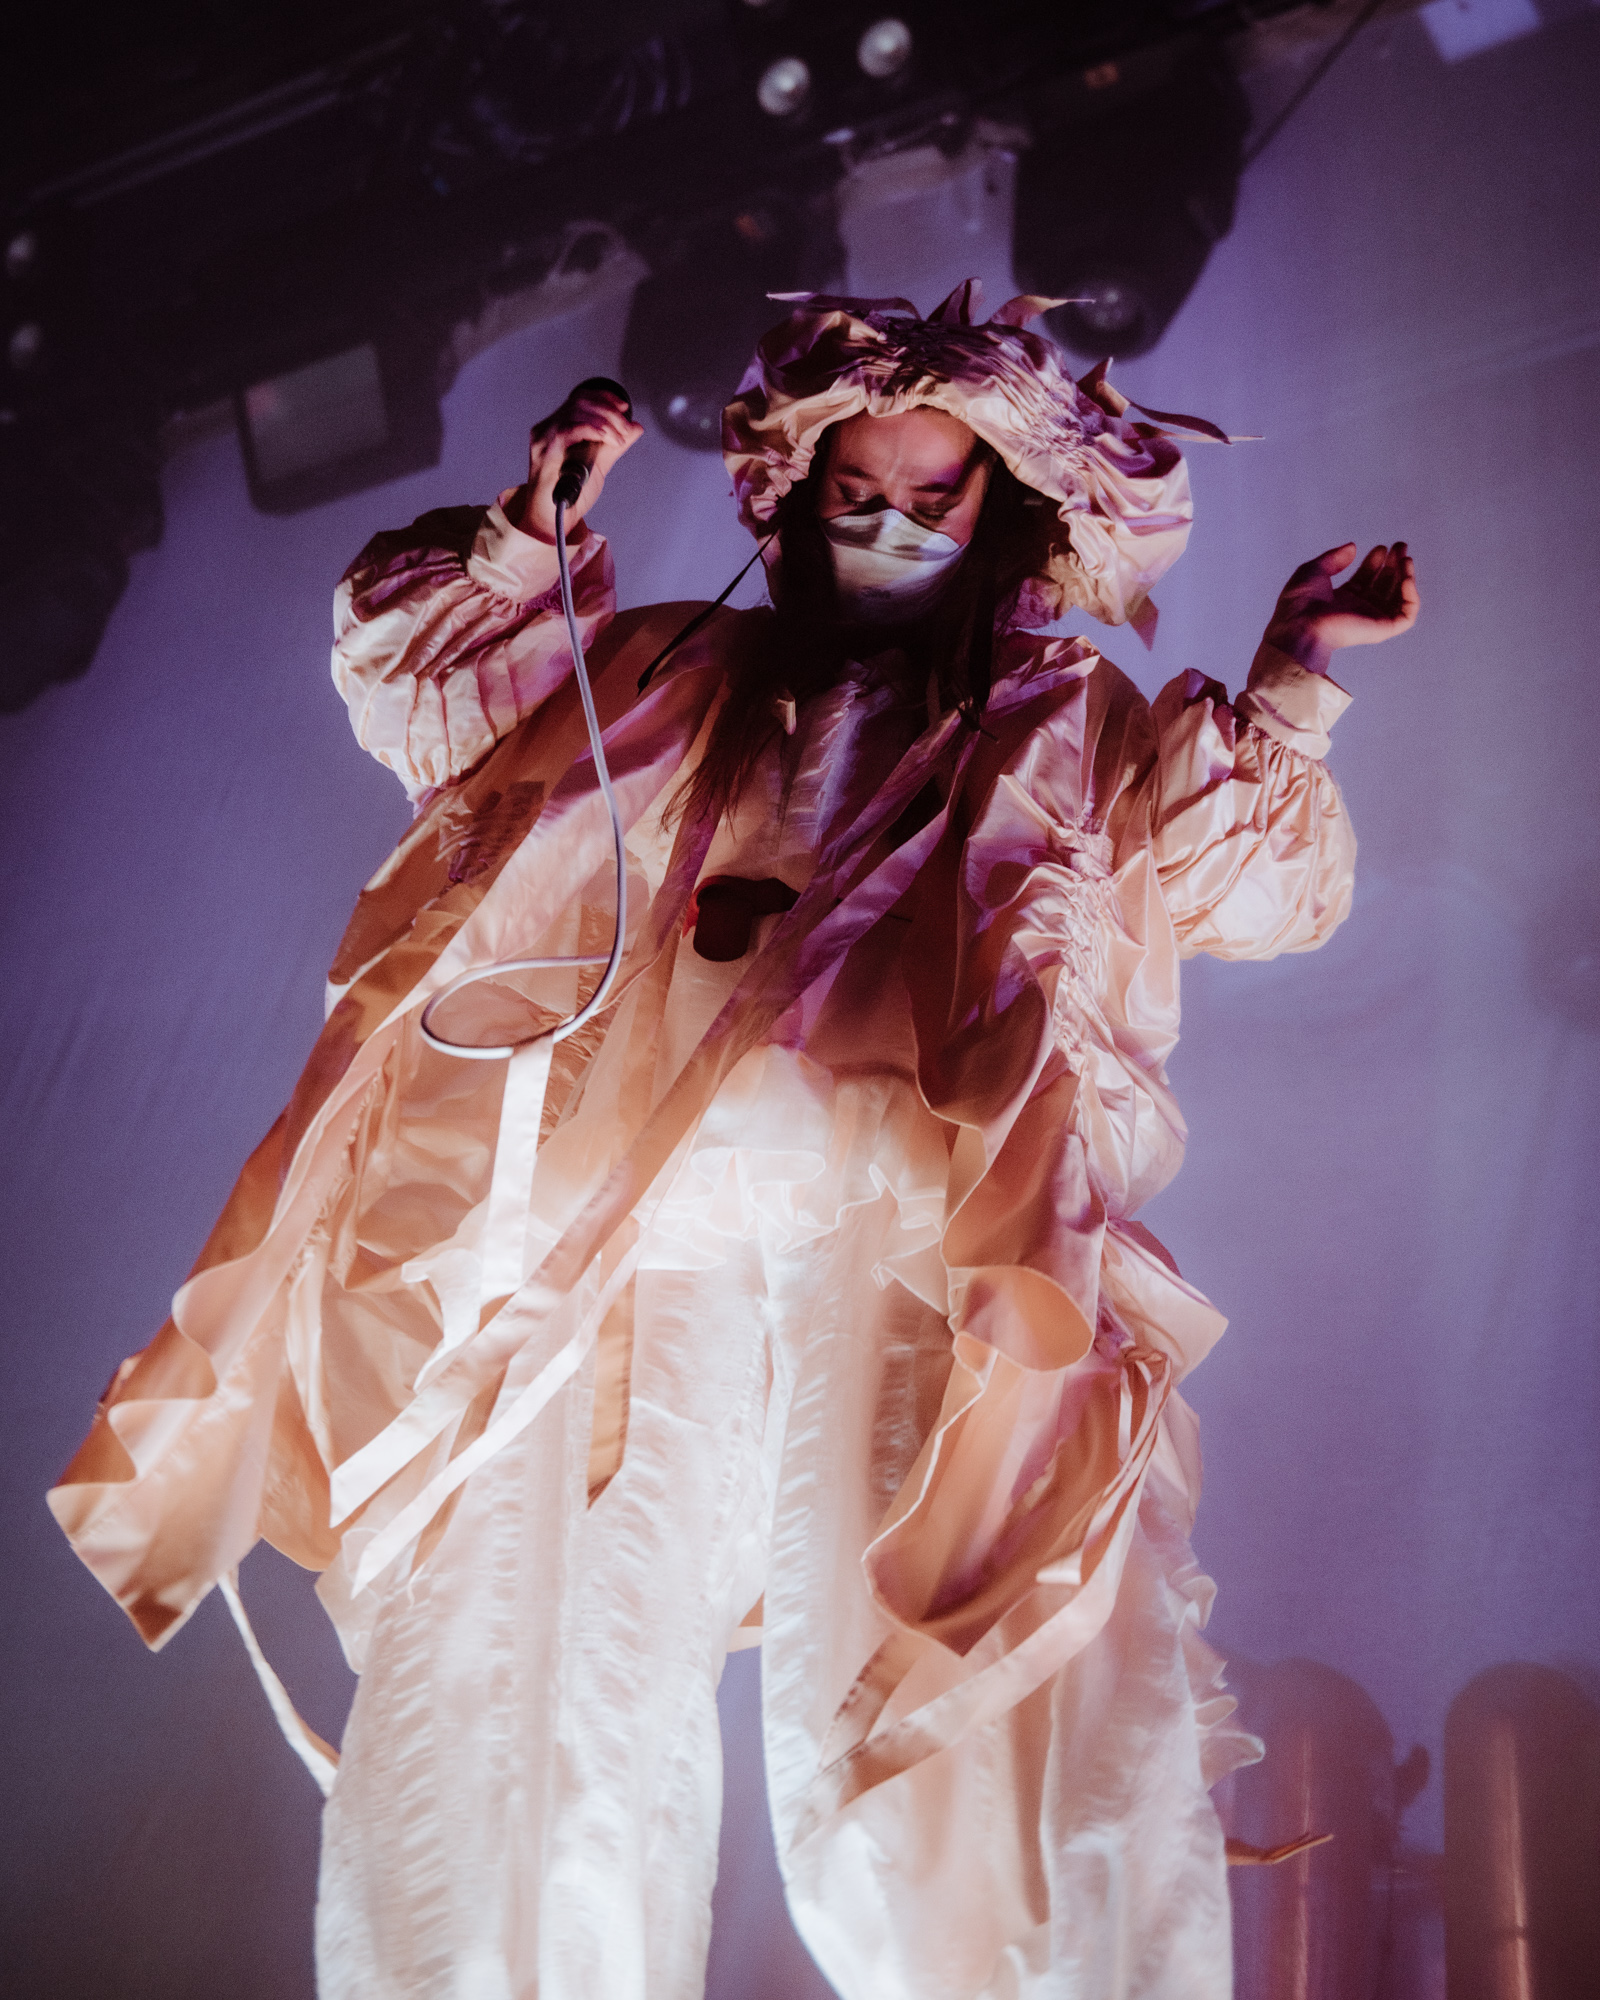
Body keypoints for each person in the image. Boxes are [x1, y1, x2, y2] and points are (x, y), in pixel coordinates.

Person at [50, 282, 1417, 2000]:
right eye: (861, 493)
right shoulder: (666, 677)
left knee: (964, 1670)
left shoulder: (1062, 717)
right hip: (634, 1248)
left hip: (908, 1240)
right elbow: (433, 708)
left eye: (936, 498)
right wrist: (516, 544)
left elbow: (1258, 886)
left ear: (1001, 512)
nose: (897, 528)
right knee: (533, 1669)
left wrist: (1297, 680)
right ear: (796, 498)